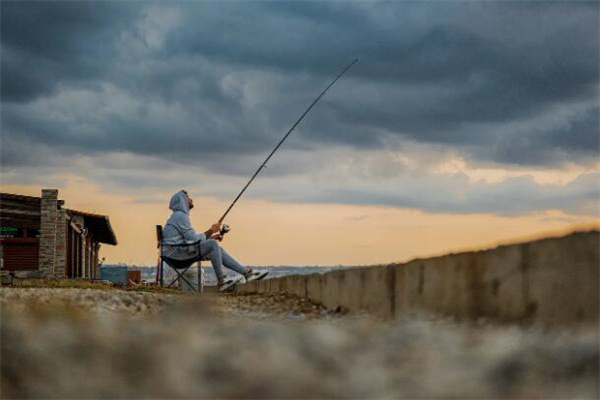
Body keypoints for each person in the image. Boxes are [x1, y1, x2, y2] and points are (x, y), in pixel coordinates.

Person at [162, 190, 266, 289]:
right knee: (212, 244)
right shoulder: (180, 216)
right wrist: (212, 230)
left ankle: (247, 273)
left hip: (178, 252)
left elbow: (189, 239)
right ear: (182, 200)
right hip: (177, 256)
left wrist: (211, 236)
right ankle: (222, 281)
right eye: (188, 197)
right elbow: (193, 239)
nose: (191, 199)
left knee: (217, 248)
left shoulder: (178, 216)